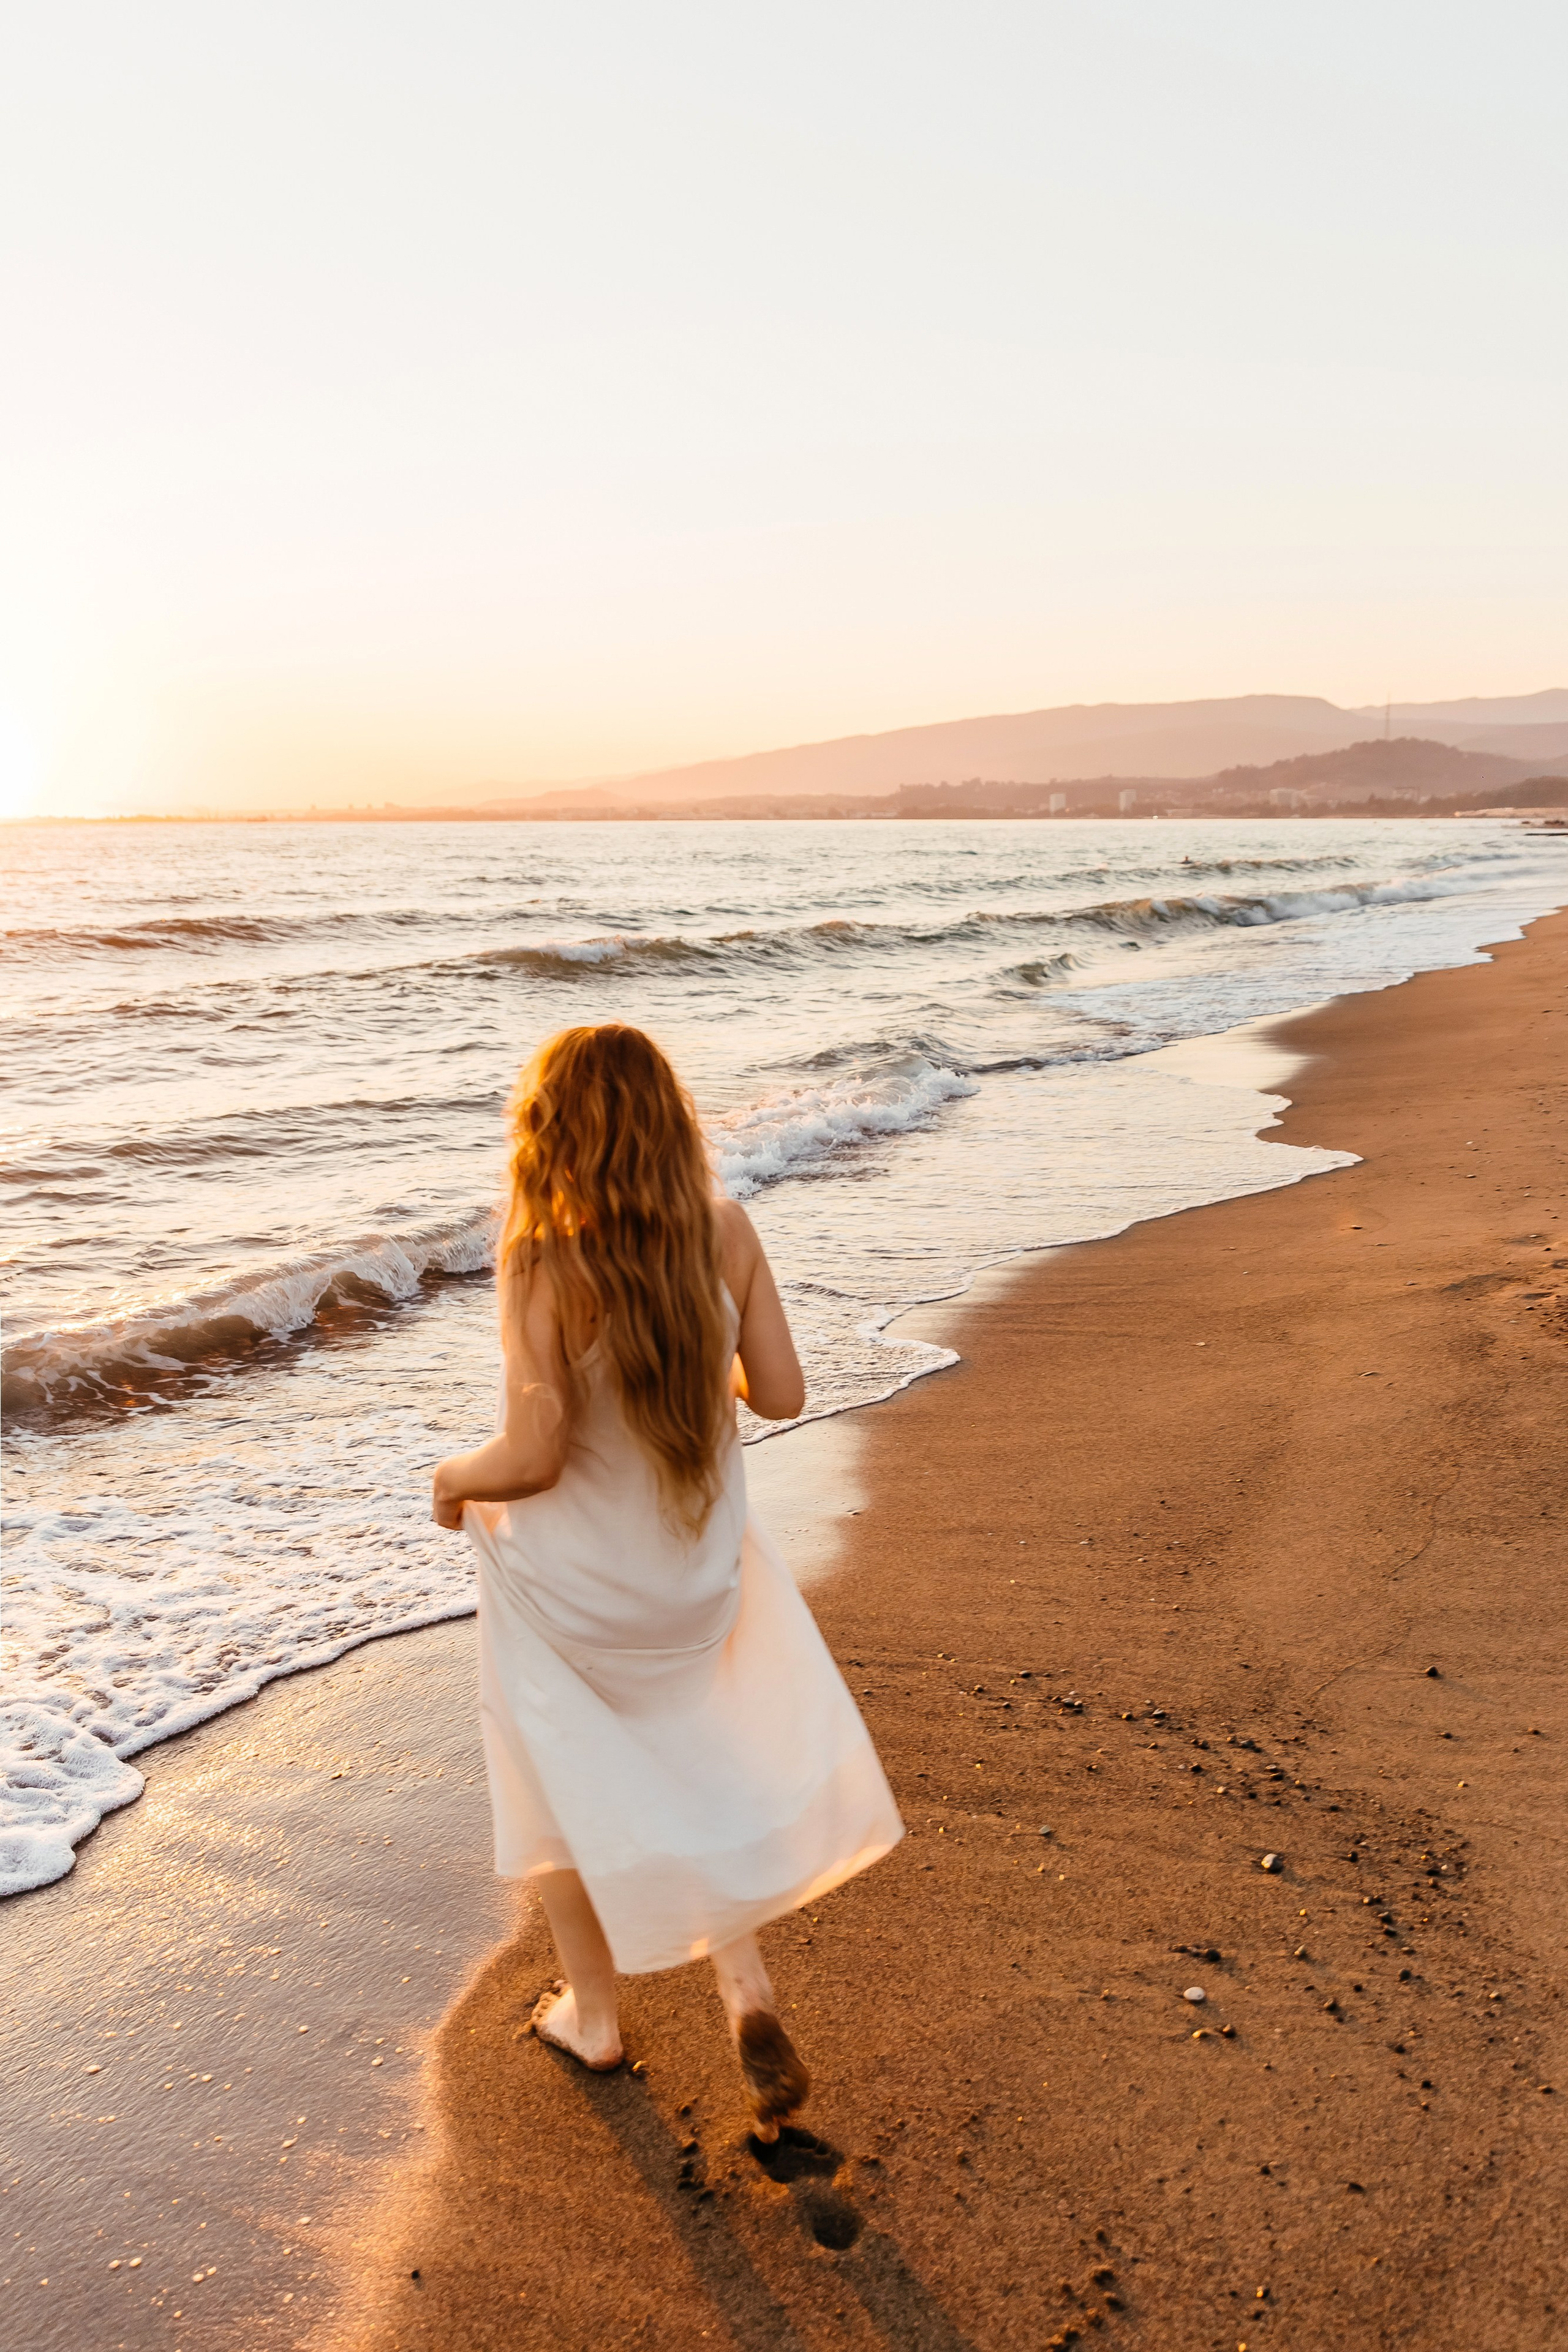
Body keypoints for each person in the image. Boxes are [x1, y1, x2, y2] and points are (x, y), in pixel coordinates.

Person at [432, 1024, 902, 2139]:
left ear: (551, 1136)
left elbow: (530, 1460)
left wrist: (451, 1479)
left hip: (585, 1599)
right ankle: (740, 1980)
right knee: (684, 1739)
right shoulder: (726, 1234)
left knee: (543, 1748)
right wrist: (693, 1356)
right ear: (672, 1121)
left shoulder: (542, 1262)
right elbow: (780, 1393)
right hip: (695, 1589)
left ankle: (595, 2014)